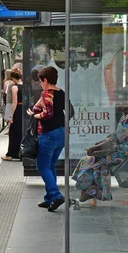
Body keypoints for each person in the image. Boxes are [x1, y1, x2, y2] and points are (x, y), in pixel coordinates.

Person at [27, 66, 73, 212]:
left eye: (41, 81)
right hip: (62, 133)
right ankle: (50, 198)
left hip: (48, 135)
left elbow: (47, 114)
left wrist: (35, 116)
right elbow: (71, 111)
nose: (41, 84)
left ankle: (55, 195)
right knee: (51, 164)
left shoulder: (47, 94)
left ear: (45, 80)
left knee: (42, 166)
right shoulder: (61, 93)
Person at [72, 107, 128, 202]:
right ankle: (93, 191)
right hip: (122, 150)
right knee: (96, 161)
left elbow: (115, 139)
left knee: (92, 160)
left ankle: (89, 191)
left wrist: (96, 147)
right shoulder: (127, 116)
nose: (118, 103)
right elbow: (113, 137)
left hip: (126, 152)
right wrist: (98, 144)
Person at [3, 68, 24, 161]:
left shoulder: (14, 87)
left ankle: (11, 154)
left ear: (13, 78)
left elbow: (14, 102)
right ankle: (21, 153)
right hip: (24, 110)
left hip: (17, 110)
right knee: (20, 132)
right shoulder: (25, 86)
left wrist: (10, 116)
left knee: (13, 132)